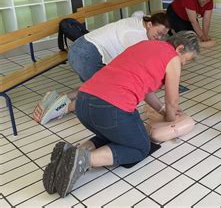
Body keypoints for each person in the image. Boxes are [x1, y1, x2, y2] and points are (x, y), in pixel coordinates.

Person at [42, 31, 200, 198]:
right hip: (109, 108)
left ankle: (74, 152)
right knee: (140, 147)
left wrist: (160, 109)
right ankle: (84, 160)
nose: (183, 65)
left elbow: (146, 90)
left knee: (117, 134)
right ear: (180, 48)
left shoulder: (144, 45)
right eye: (186, 61)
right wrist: (170, 120)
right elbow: (172, 101)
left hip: (83, 103)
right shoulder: (172, 58)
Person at [33, 12, 170, 125]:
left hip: (81, 47)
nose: (159, 37)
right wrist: (162, 109)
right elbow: (139, 80)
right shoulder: (135, 36)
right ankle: (59, 109)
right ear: (150, 24)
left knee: (99, 84)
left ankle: (57, 98)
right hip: (86, 54)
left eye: (163, 35)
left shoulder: (141, 21)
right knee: (103, 92)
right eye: (158, 33)